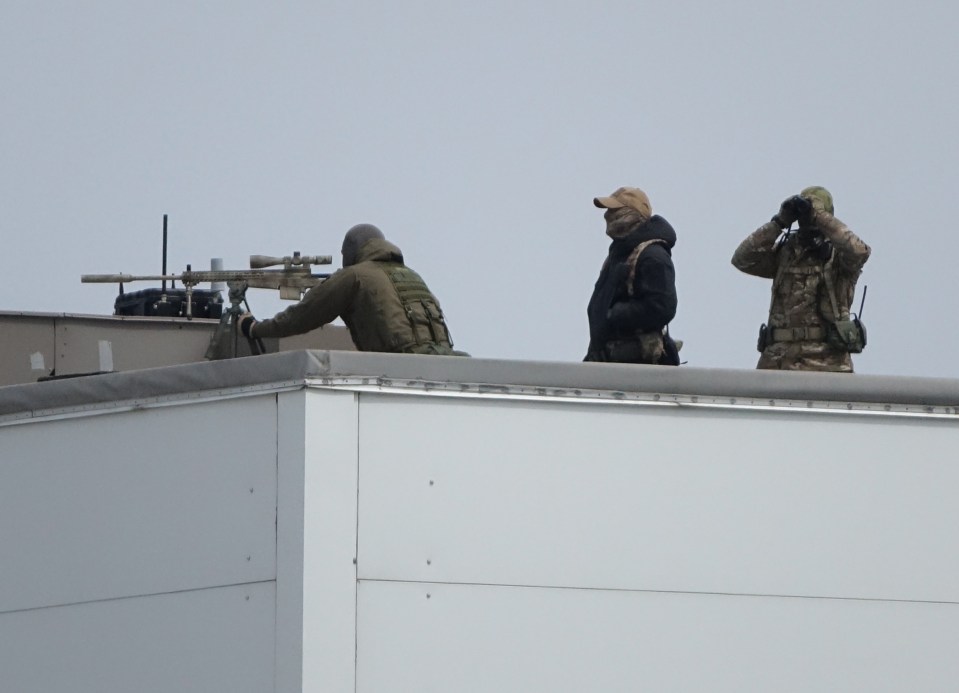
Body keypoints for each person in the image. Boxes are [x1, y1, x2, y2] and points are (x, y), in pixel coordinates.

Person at [238, 224, 465, 355]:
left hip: (399, 367)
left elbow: (301, 317)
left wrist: (255, 328)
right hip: (442, 361)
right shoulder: (411, 275)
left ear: (351, 250)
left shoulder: (354, 276)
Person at [731, 186, 870, 372]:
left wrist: (819, 216)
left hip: (826, 361)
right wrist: (779, 221)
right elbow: (742, 259)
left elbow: (860, 252)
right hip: (778, 359)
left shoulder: (838, 257)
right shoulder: (786, 253)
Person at [584, 186, 680, 365]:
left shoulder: (653, 256)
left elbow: (662, 306)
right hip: (608, 361)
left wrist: (617, 314)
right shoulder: (619, 254)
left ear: (632, 214)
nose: (608, 215)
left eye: (615, 210)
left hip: (636, 368)